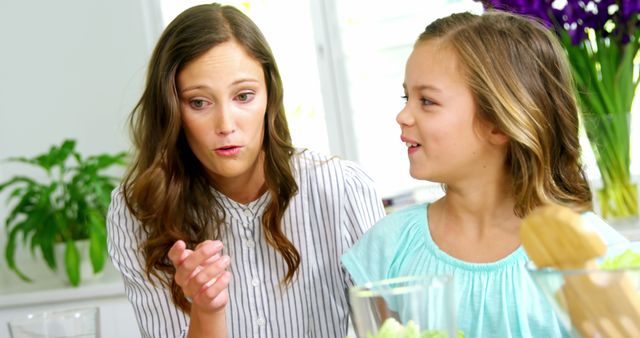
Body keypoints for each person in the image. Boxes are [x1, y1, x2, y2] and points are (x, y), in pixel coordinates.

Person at [341, 10, 629, 338]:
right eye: (407, 97)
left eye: (427, 101)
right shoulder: (390, 247)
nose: (403, 115)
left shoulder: (591, 252)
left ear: (499, 123)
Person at [106, 3, 385, 338]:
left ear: (270, 96)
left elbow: (396, 327)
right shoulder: (138, 211)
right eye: (199, 102)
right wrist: (206, 310)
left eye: (244, 96)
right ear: (171, 109)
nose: (226, 125)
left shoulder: (341, 188)